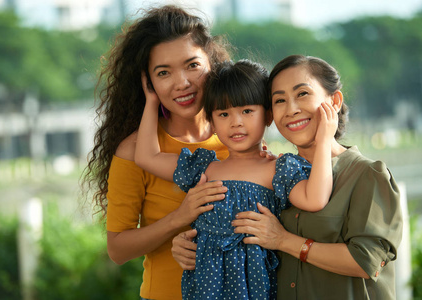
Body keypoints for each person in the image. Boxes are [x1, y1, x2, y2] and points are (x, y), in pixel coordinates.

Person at [172, 55, 403, 300]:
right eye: (280, 100)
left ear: (334, 101)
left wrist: (284, 241)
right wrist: (191, 244)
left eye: (302, 94)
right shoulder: (279, 174)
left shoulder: (366, 174)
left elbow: (366, 261)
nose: (291, 109)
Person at [134, 59, 338, 299]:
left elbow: (315, 200)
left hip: (256, 289)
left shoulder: (277, 168)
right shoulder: (204, 169)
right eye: (223, 114)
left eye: (247, 111)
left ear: (268, 116)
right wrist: (152, 102)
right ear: (211, 121)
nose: (236, 122)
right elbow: (146, 157)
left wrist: (325, 140)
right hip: (206, 289)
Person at [81, 5, 233, 300]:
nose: (182, 83)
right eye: (164, 72)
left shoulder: (238, 135)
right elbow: (118, 249)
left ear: (211, 62)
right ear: (148, 82)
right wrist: (179, 218)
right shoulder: (135, 151)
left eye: (192, 65)